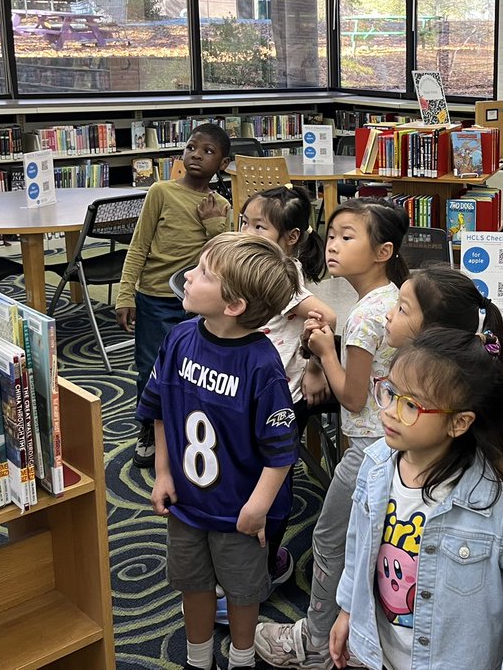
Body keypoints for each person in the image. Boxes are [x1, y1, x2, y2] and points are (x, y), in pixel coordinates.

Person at [328, 327, 503, 670]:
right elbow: (359, 546)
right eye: (389, 392)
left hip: (454, 657)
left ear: (458, 423)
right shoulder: (374, 467)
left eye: (411, 405)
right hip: (384, 652)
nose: (388, 410)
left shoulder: (488, 503)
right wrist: (347, 610)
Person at [254, 197, 409, 668]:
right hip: (389, 443)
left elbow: (353, 397)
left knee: (329, 539)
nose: (334, 246)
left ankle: (315, 643)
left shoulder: (364, 317)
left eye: (348, 237)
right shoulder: (389, 298)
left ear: (381, 251)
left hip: (367, 448)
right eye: (334, 235)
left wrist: (324, 353)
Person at [139, 232, 302, 670]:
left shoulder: (261, 365)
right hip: (188, 502)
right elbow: (157, 408)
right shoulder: (178, 339)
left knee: (244, 590)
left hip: (239, 510)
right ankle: (197, 658)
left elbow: (281, 450)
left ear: (233, 306)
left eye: (203, 273)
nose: (187, 276)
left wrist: (257, 507)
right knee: (192, 583)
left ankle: (242, 657)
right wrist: (164, 472)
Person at [237, 185, 339, 595]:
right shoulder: (255, 262)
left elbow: (325, 315)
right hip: (252, 386)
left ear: (291, 237)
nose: (246, 231)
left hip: (281, 395)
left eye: (258, 226)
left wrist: (315, 365)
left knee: (274, 476)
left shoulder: (281, 274)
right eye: (244, 222)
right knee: (253, 470)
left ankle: (264, 564)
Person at [118, 122, 232, 469]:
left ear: (223, 164)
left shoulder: (222, 205)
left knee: (197, 370)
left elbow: (223, 256)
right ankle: (148, 431)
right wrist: (126, 294)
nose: (196, 155)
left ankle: (191, 431)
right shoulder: (161, 191)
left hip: (199, 303)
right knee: (149, 368)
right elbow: (139, 245)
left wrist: (213, 223)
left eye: (208, 151)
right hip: (155, 298)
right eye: (191, 147)